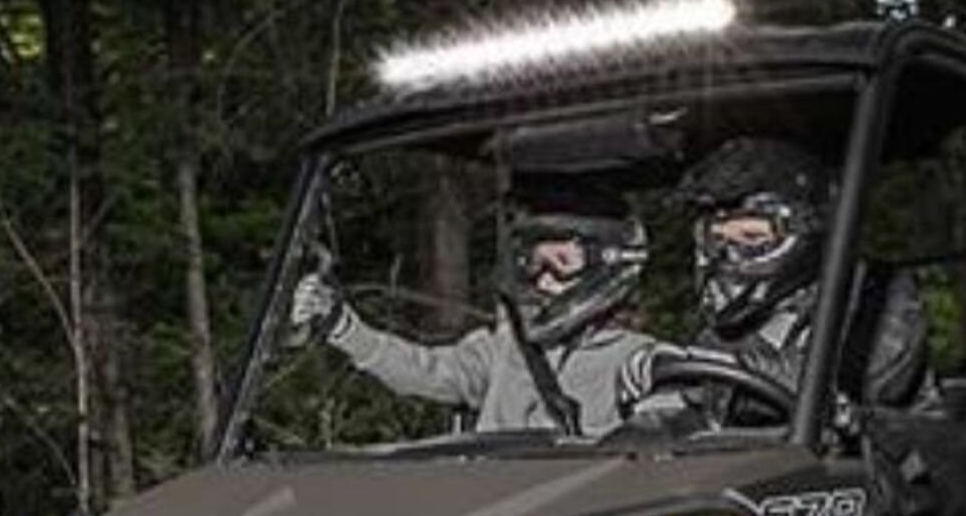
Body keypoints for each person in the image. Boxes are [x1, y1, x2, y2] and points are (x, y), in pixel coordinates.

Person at [285, 176, 666, 436]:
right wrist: (343, 327)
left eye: (561, 262)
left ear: (608, 265)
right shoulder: (505, 348)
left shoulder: (639, 359)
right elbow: (427, 371)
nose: (542, 277)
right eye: (533, 262)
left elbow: (671, 439)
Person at [676, 135, 929, 414]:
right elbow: (696, 396)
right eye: (716, 238)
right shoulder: (735, 323)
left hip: (889, 452)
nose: (726, 255)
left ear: (806, 234)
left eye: (750, 236)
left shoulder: (878, 292)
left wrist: (730, 367)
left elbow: (861, 383)